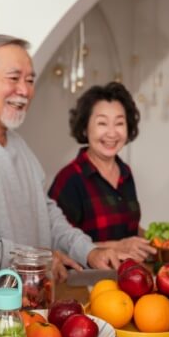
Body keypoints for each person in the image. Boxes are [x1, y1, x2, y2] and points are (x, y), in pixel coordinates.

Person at [0, 34, 122, 292]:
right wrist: (35, 261)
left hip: (30, 312)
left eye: (29, 80)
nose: (25, 91)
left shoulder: (19, 145)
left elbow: (46, 213)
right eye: (13, 78)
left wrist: (89, 251)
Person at [48, 82, 155, 261]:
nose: (112, 133)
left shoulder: (125, 172)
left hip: (126, 277)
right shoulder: (70, 179)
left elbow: (127, 228)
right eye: (102, 123)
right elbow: (56, 245)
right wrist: (117, 246)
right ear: (84, 128)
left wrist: (154, 240)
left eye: (119, 123)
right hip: (83, 282)